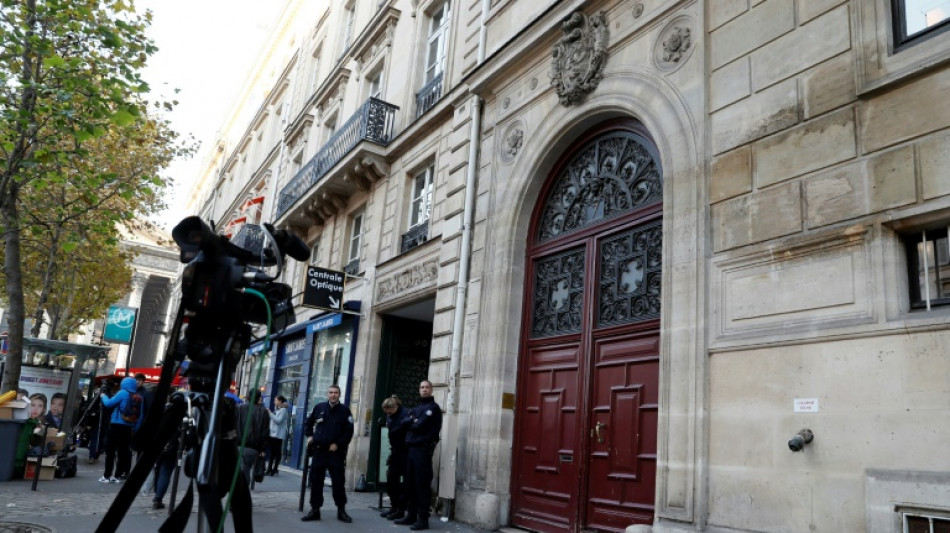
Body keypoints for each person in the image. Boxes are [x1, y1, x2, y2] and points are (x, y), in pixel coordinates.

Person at [301, 384, 354, 523]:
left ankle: (341, 510)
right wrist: (309, 436)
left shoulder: (345, 411)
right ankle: (315, 510)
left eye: (336, 392)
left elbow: (349, 432)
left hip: (335, 453)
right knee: (316, 482)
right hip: (319, 451)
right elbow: (308, 423)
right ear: (327, 394)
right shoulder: (319, 407)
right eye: (331, 392)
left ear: (339, 394)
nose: (333, 395)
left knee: (338, 482)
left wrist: (338, 444)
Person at [395, 380, 443, 531]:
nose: (424, 389)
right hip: (410, 449)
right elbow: (403, 422)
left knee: (422, 485)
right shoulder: (416, 408)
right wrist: (412, 421)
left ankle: (423, 519)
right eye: (422, 387)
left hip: (422, 450)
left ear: (431, 389)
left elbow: (420, 425)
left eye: (427, 387)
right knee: (410, 484)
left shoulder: (433, 408)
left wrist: (412, 422)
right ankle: (411, 515)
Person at [99, 376, 142, 483]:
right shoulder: (138, 396)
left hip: (116, 425)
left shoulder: (122, 393)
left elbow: (108, 404)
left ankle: (107, 475)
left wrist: (103, 396)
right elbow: (139, 415)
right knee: (122, 452)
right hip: (128, 427)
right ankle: (117, 476)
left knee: (110, 451)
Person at [380, 395, 409, 521]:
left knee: (407, 482)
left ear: (395, 407)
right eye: (386, 412)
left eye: (389, 411)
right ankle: (394, 506)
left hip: (406, 451)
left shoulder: (406, 414)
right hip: (395, 451)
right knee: (391, 479)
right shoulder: (390, 416)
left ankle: (401, 509)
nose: (388, 414)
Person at [235, 390, 270, 486]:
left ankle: (240, 489)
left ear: (248, 397)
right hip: (253, 448)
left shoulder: (238, 408)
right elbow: (265, 432)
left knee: (239, 469)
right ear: (259, 398)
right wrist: (263, 449)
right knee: (245, 468)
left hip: (237, 445)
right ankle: (242, 489)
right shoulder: (263, 411)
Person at [266, 395, 289, 476]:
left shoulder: (283, 410)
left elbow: (278, 421)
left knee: (276, 451)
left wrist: (270, 413)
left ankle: (274, 468)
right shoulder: (278, 409)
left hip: (277, 434)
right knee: (273, 452)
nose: (274, 402)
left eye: (276, 400)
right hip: (273, 433)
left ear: (280, 401)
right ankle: (271, 468)